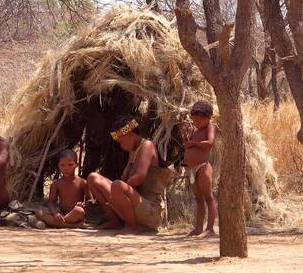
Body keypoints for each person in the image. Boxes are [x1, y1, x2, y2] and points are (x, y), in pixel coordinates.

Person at [87, 116, 173, 234]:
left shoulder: (147, 145)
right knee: (93, 178)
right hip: (134, 204)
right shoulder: (133, 151)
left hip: (150, 210)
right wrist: (128, 167)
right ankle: (115, 221)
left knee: (117, 185)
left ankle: (132, 226)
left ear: (130, 135)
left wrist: (117, 192)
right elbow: (124, 180)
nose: (121, 146)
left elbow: (140, 176)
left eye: (121, 142)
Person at [181, 100, 217, 237]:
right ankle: (198, 228)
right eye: (194, 120)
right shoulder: (195, 131)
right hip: (192, 169)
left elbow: (210, 143)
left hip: (203, 167)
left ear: (209, 118)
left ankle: (210, 228)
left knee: (208, 197)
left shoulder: (210, 128)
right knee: (198, 199)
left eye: (200, 120)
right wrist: (185, 135)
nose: (197, 122)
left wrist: (194, 143)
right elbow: (186, 146)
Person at [36, 149, 89, 228]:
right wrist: (55, 213)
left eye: (70, 165)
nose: (66, 168)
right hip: (61, 214)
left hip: (75, 214)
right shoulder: (56, 183)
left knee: (79, 211)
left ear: (76, 165)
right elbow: (51, 202)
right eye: (62, 165)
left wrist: (83, 204)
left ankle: (57, 223)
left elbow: (90, 200)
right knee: (39, 212)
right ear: (58, 165)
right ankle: (73, 225)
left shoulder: (82, 182)